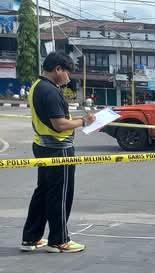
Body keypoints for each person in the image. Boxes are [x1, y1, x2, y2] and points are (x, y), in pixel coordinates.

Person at [21, 52, 96, 253]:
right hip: (58, 149)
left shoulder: (37, 86)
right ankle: (59, 240)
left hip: (42, 145)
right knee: (60, 195)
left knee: (43, 192)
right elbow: (60, 124)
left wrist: (77, 119)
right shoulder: (50, 91)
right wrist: (84, 121)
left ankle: (31, 237)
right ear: (58, 69)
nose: (68, 78)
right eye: (67, 73)